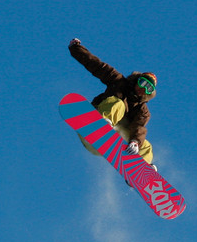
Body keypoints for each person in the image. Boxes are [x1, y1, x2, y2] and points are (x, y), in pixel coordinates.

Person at [68, 38, 158, 168]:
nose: (143, 89)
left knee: (146, 146)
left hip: (113, 136)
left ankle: (142, 167)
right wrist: (76, 48)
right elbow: (96, 65)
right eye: (142, 83)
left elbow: (138, 128)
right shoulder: (119, 82)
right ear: (137, 80)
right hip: (97, 121)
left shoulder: (142, 111)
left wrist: (135, 142)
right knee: (118, 104)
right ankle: (102, 126)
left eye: (148, 88)